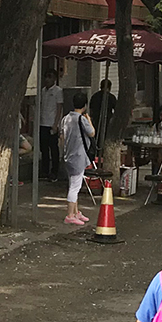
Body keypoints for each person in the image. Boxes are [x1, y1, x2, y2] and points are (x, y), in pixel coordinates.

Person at [61, 90, 96, 225]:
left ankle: (76, 212)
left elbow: (62, 137)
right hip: (79, 156)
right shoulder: (82, 119)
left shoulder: (66, 118)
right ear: (85, 105)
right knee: (75, 187)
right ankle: (70, 215)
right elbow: (92, 133)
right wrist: (89, 121)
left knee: (73, 183)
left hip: (68, 155)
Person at [38, 67, 64, 182]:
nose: (47, 79)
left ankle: (54, 172)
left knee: (53, 148)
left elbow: (59, 108)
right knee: (43, 148)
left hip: (52, 123)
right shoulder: (43, 91)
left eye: (50, 77)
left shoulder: (58, 91)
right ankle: (44, 171)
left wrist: (56, 124)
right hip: (42, 123)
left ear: (54, 79)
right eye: (46, 77)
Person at [89, 75, 116, 146]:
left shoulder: (94, 96)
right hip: (107, 122)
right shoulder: (111, 97)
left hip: (96, 121)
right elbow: (116, 110)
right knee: (105, 140)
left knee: (96, 140)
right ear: (109, 87)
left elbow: (91, 110)